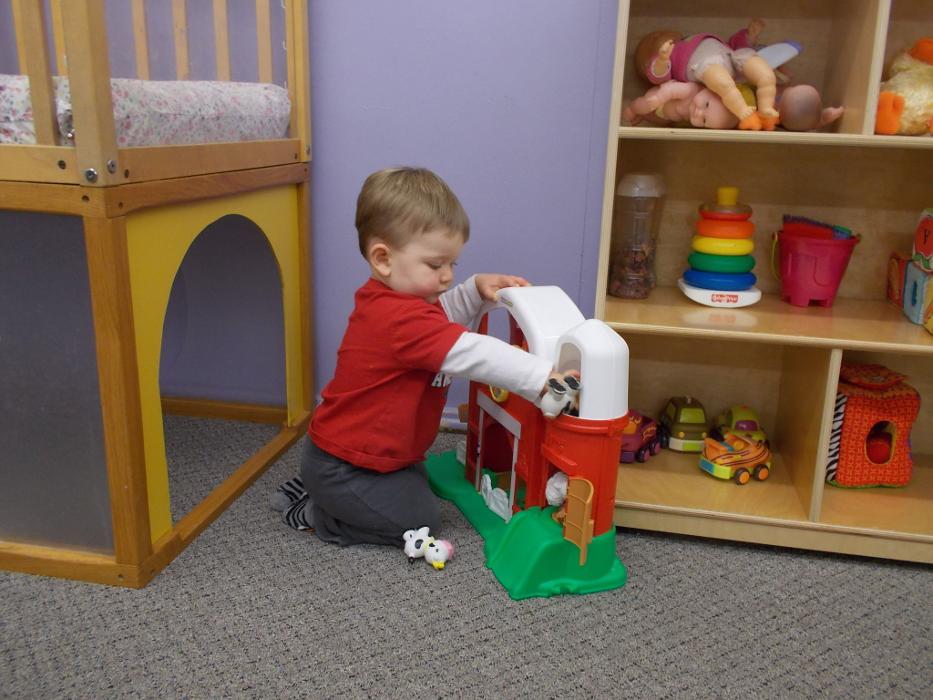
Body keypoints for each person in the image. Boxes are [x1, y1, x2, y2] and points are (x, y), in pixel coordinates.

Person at [270, 166, 575, 547]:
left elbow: (440, 318)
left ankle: (319, 488)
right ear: (383, 259)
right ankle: (318, 514)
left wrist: (474, 291)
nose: (447, 276)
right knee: (420, 520)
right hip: (347, 465)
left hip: (370, 458)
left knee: (416, 481)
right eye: (435, 265)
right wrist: (540, 378)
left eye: (453, 265)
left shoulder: (404, 306)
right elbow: (472, 352)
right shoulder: (397, 318)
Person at [634, 19, 779, 130]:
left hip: (731, 55)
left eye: (657, 35)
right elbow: (658, 78)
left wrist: (749, 36)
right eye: (653, 42)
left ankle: (766, 106)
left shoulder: (687, 40)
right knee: (721, 81)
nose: (657, 37)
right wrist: (661, 61)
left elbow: (735, 44)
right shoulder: (670, 59)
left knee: (763, 72)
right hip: (704, 67)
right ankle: (742, 111)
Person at [623, 81, 844, 132]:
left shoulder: (766, 116)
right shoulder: (693, 90)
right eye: (705, 104)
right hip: (658, 101)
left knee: (793, 117)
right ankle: (635, 109)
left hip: (667, 118)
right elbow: (671, 90)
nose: (697, 112)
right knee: (643, 106)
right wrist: (658, 98)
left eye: (704, 121)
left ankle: (819, 118)